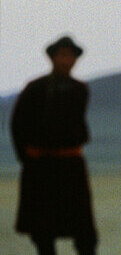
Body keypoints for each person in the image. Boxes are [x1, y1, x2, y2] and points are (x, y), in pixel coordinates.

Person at [10, 35, 98, 255]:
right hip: (41, 167)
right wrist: (28, 159)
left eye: (70, 56)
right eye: (62, 55)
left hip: (71, 165)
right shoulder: (35, 89)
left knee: (85, 234)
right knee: (43, 232)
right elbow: (17, 125)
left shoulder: (80, 90)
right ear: (52, 58)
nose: (66, 61)